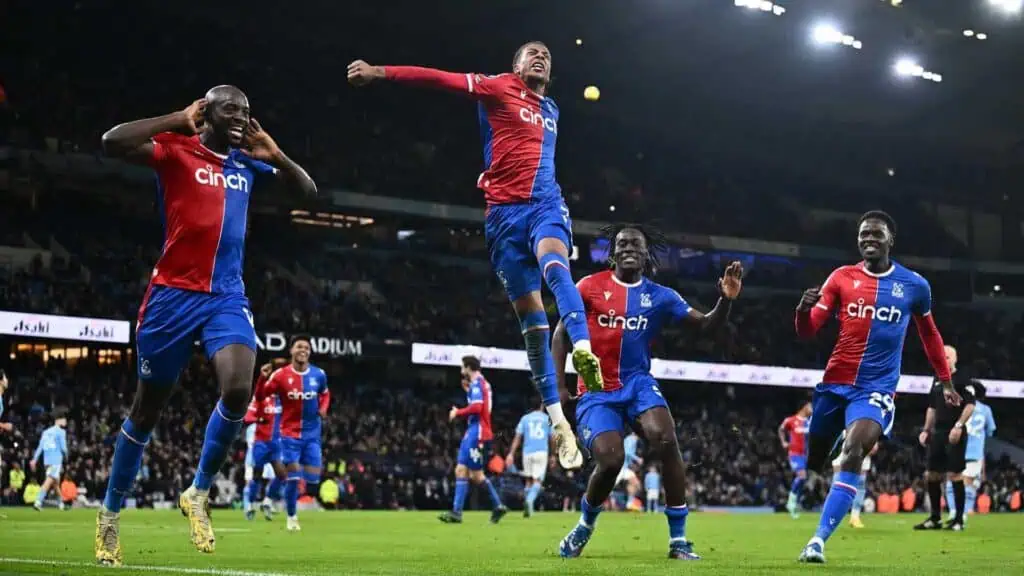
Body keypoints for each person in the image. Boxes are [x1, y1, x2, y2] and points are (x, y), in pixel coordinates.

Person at [347, 43, 600, 471]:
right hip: (503, 218)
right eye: (531, 53)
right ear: (515, 65)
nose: (541, 57)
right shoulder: (498, 88)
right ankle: (559, 423)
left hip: (545, 206)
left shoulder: (553, 108)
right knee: (533, 325)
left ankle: (583, 350)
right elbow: (438, 78)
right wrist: (380, 71)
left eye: (547, 56)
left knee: (557, 268)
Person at [95, 86, 315, 565]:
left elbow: (309, 193)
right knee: (146, 410)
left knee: (239, 389)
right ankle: (110, 514)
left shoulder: (248, 164)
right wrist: (176, 117)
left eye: (247, 111)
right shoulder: (176, 150)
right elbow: (112, 140)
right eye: (230, 108)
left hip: (226, 297)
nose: (240, 116)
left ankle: (197, 492)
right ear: (207, 112)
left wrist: (275, 152)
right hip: (172, 296)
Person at [553, 223, 743, 561]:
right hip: (597, 389)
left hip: (638, 382)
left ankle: (679, 541)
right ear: (611, 254)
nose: (629, 249)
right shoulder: (588, 287)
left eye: (636, 245)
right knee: (611, 461)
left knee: (666, 439)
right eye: (622, 244)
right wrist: (558, 388)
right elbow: (559, 334)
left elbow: (706, 326)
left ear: (646, 255)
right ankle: (584, 525)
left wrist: (724, 301)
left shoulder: (660, 296)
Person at [794, 210, 960, 564]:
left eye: (876, 234)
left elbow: (929, 335)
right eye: (863, 234)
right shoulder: (841, 277)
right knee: (816, 458)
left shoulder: (914, 286)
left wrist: (945, 380)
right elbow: (808, 331)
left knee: (854, 449)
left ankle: (817, 541)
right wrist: (801, 312)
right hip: (835, 384)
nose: (869, 239)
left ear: (890, 240)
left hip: (876, 388)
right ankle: (812, 473)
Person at [254, 336, 329, 532]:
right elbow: (261, 396)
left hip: (312, 436)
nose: (303, 350)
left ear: (310, 352)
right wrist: (262, 378)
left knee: (313, 479)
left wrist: (323, 408)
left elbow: (326, 393)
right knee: (293, 478)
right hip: (289, 436)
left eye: (306, 347)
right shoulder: (280, 376)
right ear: (292, 351)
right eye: (299, 346)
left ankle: (271, 498)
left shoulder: (319, 374)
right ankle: (291, 516)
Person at [914, 345, 977, 531]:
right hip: (938, 432)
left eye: (947, 357)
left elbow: (970, 405)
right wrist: (926, 430)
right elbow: (932, 407)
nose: (944, 360)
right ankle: (935, 518)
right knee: (932, 474)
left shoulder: (963, 378)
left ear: (955, 359)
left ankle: (958, 519)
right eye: (941, 356)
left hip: (954, 431)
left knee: (955, 474)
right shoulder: (937, 379)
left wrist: (959, 425)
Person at [440, 357, 508, 524]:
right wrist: (468, 392)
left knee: (473, 473)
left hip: (477, 432)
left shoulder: (478, 383)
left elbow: (478, 408)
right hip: (474, 431)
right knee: (466, 472)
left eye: (462, 366)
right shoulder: (480, 384)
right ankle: (493, 506)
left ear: (468, 367)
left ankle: (459, 512)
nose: (461, 370)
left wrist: (458, 412)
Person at [243, 364, 286, 521]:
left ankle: (267, 501)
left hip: (276, 444)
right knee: (257, 476)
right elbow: (248, 417)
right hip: (261, 443)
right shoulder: (260, 398)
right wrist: (260, 419)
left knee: (282, 474)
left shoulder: (281, 400)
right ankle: (251, 504)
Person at [947, 382, 994, 524]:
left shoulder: (960, 406)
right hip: (975, 452)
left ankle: (954, 511)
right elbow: (990, 430)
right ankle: (964, 512)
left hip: (958, 447)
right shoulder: (986, 410)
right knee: (969, 484)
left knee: (952, 482)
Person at [505, 400, 553, 517]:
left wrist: (511, 453)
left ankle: (528, 508)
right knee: (538, 481)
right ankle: (529, 501)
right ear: (542, 405)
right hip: (541, 452)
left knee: (529, 481)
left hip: (527, 453)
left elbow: (517, 437)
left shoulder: (525, 418)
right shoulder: (546, 419)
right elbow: (553, 438)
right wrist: (553, 455)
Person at [831, 434, 878, 528]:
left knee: (859, 487)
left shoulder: (872, 426)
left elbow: (874, 448)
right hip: (844, 457)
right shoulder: (847, 426)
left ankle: (854, 517)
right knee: (838, 486)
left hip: (862, 460)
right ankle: (832, 515)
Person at [778, 401, 812, 518]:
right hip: (794, 454)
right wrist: (783, 442)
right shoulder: (791, 420)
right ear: (803, 407)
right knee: (802, 476)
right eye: (809, 406)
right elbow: (781, 429)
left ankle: (794, 503)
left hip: (804, 455)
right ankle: (791, 502)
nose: (811, 408)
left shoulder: (809, 422)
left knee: (803, 479)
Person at [30, 410, 68, 511]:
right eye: (64, 420)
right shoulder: (61, 432)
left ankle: (61, 504)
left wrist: (34, 460)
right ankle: (38, 502)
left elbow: (40, 447)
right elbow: (64, 448)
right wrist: (67, 457)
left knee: (55, 483)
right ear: (59, 420)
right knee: (48, 482)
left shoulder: (46, 432)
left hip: (47, 461)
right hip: (56, 460)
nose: (65, 422)